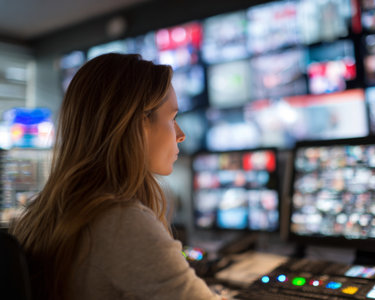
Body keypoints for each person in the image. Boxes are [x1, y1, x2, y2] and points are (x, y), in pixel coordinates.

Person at [9, 53, 221, 300]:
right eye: (172, 118)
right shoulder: (121, 222)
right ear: (138, 124)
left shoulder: (45, 211)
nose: (181, 134)